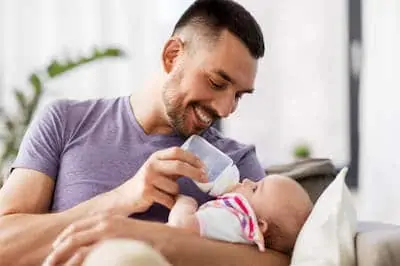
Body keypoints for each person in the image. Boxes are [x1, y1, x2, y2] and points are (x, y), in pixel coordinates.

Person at [0, 0, 290, 265]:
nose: (227, 109)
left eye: (239, 95)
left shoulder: (236, 164)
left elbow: (280, 260)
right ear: (172, 55)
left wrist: (153, 239)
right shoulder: (66, 122)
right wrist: (120, 200)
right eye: (216, 83)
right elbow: (4, 244)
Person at [168, 175, 313, 255]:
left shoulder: (234, 219)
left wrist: (185, 202)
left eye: (255, 189)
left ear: (260, 225)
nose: (247, 180)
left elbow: (180, 227)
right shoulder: (240, 232)